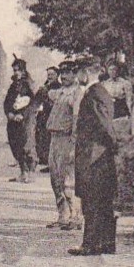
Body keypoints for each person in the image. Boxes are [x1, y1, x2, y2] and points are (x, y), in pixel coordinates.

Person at [72, 66, 118, 255]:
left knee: (92, 200)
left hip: (94, 154)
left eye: (79, 72)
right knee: (103, 200)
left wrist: (114, 145)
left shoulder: (95, 93)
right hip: (98, 153)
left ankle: (90, 244)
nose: (77, 76)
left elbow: (104, 124)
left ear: (87, 72)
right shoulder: (98, 92)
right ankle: (106, 243)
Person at [46, 64, 87, 231]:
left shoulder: (77, 93)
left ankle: (76, 216)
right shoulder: (61, 92)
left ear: (75, 74)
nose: (64, 76)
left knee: (68, 180)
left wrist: (74, 139)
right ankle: (63, 215)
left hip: (66, 138)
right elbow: (48, 91)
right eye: (62, 73)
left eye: (68, 73)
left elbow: (77, 117)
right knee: (55, 179)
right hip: (54, 138)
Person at [3, 60, 37, 182]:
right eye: (14, 70)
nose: (16, 72)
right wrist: (9, 113)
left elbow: (33, 103)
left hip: (25, 120)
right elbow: (7, 101)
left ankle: (29, 173)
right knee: (14, 144)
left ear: (23, 71)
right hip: (13, 121)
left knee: (26, 145)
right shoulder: (13, 85)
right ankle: (23, 172)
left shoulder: (29, 84)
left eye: (18, 70)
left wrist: (22, 114)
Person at [32, 66, 58, 171]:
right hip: (43, 115)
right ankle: (43, 158)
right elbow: (37, 99)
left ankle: (49, 162)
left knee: (49, 138)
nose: (50, 76)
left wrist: (45, 94)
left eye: (52, 74)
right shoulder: (45, 85)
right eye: (48, 75)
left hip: (51, 115)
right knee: (41, 136)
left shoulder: (57, 87)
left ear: (57, 75)